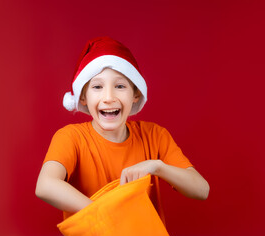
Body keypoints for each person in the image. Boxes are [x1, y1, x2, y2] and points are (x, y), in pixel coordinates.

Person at [35, 36, 209, 223]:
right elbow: (45, 185)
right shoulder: (70, 137)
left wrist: (157, 167)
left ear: (135, 94)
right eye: (97, 87)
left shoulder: (155, 135)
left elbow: (201, 190)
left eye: (120, 86)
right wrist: (104, 213)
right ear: (83, 97)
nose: (109, 97)